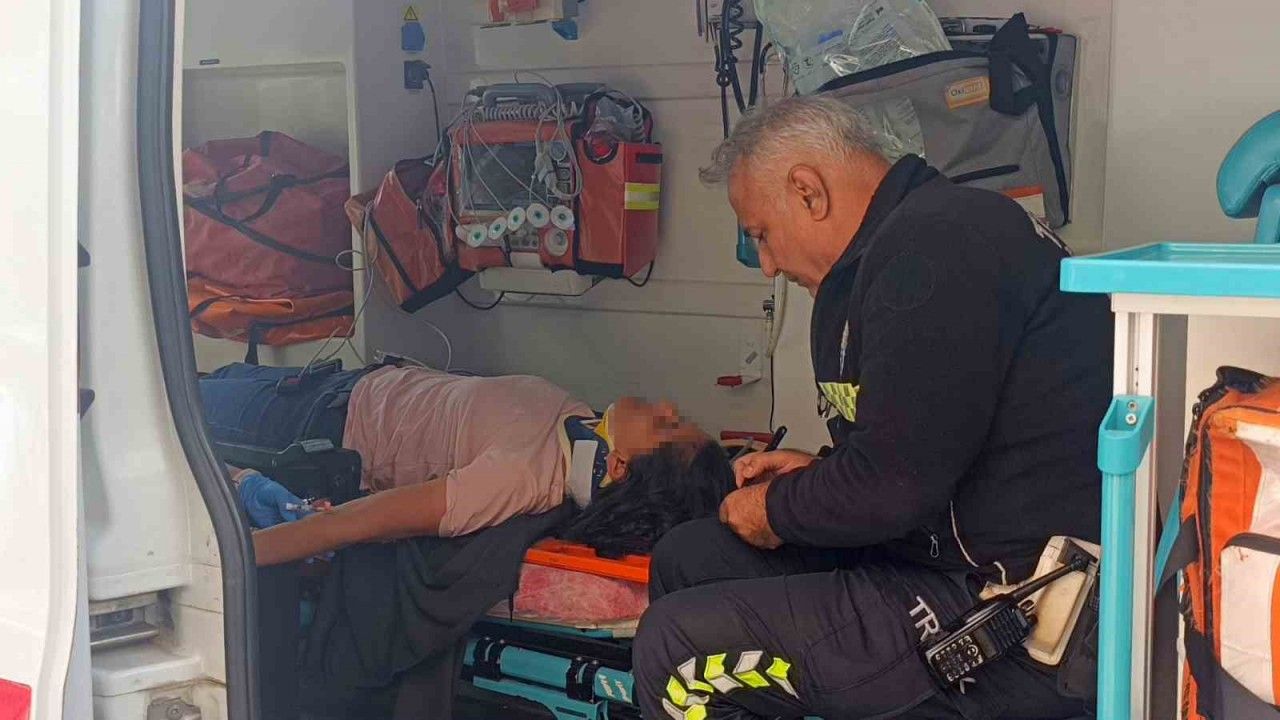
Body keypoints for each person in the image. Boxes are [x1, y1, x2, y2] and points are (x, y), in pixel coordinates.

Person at [631, 95, 1114, 720]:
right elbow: (922, 444)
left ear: (808, 192)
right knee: (692, 556)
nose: (768, 265)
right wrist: (820, 473)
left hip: (1011, 616)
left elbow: (893, 486)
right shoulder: (915, 240)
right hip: (936, 556)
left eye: (761, 235)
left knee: (675, 650)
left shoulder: (935, 246)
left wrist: (776, 508)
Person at [210, 363, 735, 566]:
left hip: (302, 424)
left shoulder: (519, 477)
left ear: (617, 467)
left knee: (164, 393)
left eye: (668, 426)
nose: (667, 408)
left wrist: (222, 560)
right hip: (328, 385)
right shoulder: (581, 427)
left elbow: (348, 525)